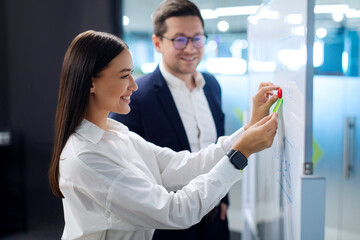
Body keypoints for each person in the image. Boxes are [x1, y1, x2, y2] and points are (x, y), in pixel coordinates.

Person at [49, 30, 279, 240]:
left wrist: (249, 128)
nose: (134, 85)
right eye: (123, 76)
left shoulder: (116, 133)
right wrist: (240, 154)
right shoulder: (86, 156)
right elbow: (175, 211)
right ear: (91, 83)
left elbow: (182, 165)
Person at [109, 0, 230, 238]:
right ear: (157, 43)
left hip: (215, 217)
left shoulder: (212, 86)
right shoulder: (136, 97)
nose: (191, 48)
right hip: (169, 226)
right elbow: (125, 172)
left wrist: (224, 198)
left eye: (197, 38)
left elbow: (219, 147)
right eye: (180, 39)